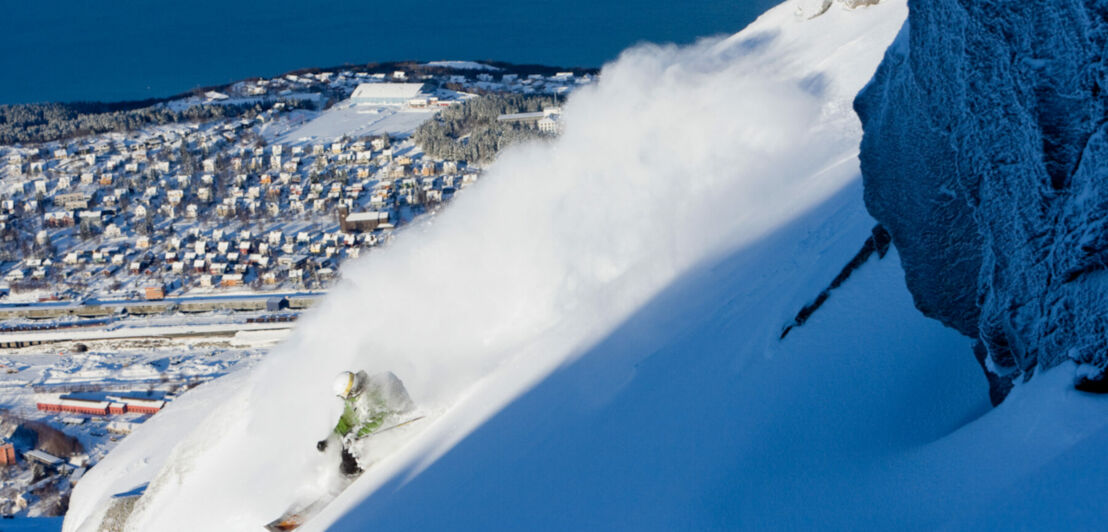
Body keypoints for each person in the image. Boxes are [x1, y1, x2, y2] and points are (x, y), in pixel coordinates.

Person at [317, 370, 415, 476]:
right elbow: (346, 422)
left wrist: (358, 434)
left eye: (345, 395)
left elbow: (380, 417)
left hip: (394, 423)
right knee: (346, 442)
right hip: (374, 428)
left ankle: (352, 472)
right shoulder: (354, 399)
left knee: (349, 450)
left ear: (351, 389)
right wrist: (329, 441)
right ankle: (345, 472)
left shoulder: (373, 390)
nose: (345, 398)